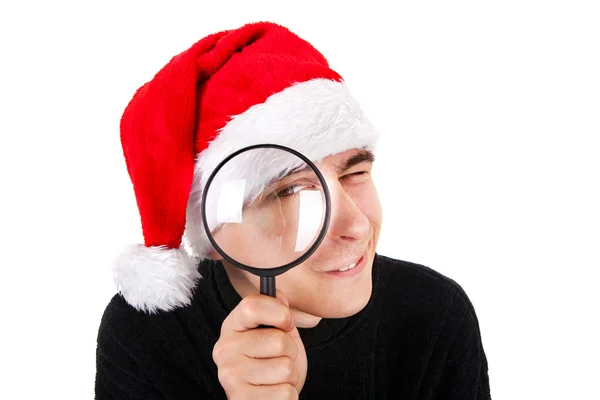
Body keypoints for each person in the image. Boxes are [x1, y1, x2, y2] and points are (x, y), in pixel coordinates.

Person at [95, 21, 491, 399]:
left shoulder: (434, 313)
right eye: (289, 193)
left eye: (355, 172)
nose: (355, 225)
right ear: (215, 235)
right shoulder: (147, 333)